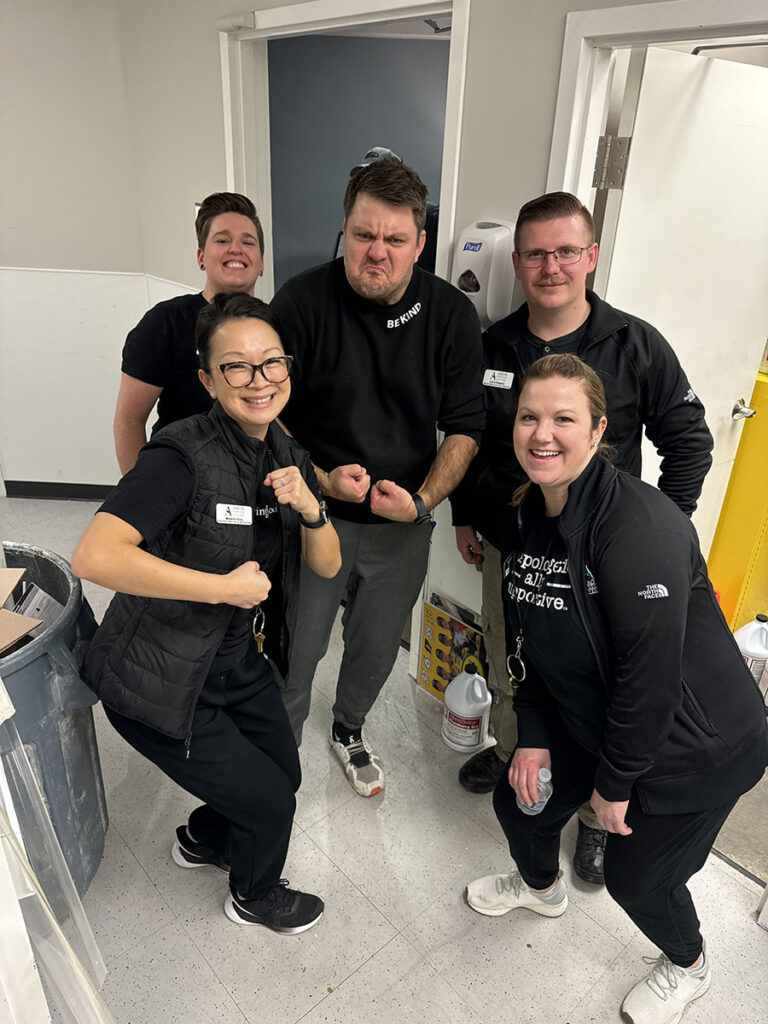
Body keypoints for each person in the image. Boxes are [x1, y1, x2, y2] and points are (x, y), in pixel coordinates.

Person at [465, 353, 767, 1024]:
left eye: (564, 419)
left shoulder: (640, 528)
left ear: (599, 431)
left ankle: (689, 963)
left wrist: (616, 782)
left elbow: (650, 676)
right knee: (524, 807)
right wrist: (535, 737)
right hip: (596, 721)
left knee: (638, 879)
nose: (543, 434)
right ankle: (542, 888)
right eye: (529, 417)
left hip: (699, 746)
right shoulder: (526, 516)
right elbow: (528, 643)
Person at [451, 191, 713, 885]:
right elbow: (474, 440)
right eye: (537, 252)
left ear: (591, 256)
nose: (552, 266)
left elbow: (688, 441)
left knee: (605, 684)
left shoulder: (635, 344)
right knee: (517, 656)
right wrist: (465, 515)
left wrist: (664, 531)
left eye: (567, 250)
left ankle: (596, 821)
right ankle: (520, 752)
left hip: (603, 559)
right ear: (519, 261)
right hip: (515, 543)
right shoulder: (493, 345)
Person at [73, 293, 341, 934]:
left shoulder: (282, 451)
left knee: (285, 770)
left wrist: (312, 507)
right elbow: (93, 556)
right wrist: (219, 588)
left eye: (271, 363)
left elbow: (328, 565)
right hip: (157, 676)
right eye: (237, 368)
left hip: (232, 659)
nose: (259, 380)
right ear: (207, 381)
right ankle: (255, 896)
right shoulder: (180, 454)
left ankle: (205, 836)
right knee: (273, 802)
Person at [271, 158, 484, 795]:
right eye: (364, 236)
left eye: (395, 240)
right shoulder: (302, 301)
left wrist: (420, 503)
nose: (376, 253)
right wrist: (317, 478)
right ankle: (278, 751)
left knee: (374, 647)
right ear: (345, 230)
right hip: (317, 515)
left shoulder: (449, 315)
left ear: (420, 242)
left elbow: (466, 427)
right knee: (299, 645)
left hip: (401, 524)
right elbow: (265, 413)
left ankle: (348, 730)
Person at [114, 192, 265, 474]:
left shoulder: (273, 327)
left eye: (248, 242)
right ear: (201, 257)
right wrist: (141, 494)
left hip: (254, 482)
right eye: (222, 240)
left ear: (261, 263)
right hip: (181, 476)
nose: (236, 249)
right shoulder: (165, 322)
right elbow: (129, 419)